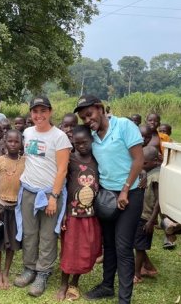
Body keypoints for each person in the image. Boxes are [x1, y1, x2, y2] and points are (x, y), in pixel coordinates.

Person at [75, 94, 144, 303]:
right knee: (109, 244)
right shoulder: (92, 135)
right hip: (106, 195)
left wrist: (125, 189)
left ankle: (125, 299)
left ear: (100, 108)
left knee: (123, 245)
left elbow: (139, 159)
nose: (88, 120)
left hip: (129, 194)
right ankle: (107, 285)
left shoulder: (123, 126)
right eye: (84, 118)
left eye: (90, 114)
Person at [14, 95, 71, 297]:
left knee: (47, 235)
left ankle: (43, 272)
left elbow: (62, 170)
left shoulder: (59, 137)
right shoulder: (27, 133)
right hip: (29, 191)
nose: (39, 115)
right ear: (31, 113)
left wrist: (53, 197)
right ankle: (29, 268)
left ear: (50, 112)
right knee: (29, 233)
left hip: (49, 194)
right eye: (35, 111)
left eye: (43, 111)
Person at [56, 126, 102, 301]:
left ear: (92, 140)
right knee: (69, 249)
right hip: (72, 213)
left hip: (91, 213)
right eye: (77, 143)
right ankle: (63, 284)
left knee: (85, 248)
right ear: (72, 143)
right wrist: (64, 213)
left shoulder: (98, 159)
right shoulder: (69, 160)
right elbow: (63, 187)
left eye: (85, 142)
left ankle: (75, 282)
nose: (81, 146)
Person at [0, 129, 24, 289]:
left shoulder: (25, 161)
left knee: (12, 242)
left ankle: (6, 272)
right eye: (10, 141)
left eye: (16, 141)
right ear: (5, 142)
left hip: (16, 208)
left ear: (21, 143)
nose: (13, 144)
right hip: (1, 206)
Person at [133, 146, 161, 285]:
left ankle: (137, 274)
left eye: (145, 163)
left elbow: (159, 201)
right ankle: (148, 267)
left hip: (146, 218)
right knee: (137, 243)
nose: (142, 165)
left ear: (155, 161)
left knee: (139, 246)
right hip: (139, 215)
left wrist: (151, 220)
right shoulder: (148, 172)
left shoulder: (156, 176)